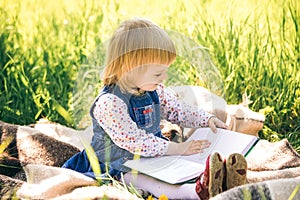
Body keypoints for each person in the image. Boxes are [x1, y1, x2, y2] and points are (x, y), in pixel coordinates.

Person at [62, 17, 247, 199]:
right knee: (143, 180)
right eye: (158, 73)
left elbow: (177, 110)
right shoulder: (110, 103)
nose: (164, 77)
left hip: (154, 155)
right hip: (117, 165)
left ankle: (219, 178)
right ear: (130, 68)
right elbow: (136, 142)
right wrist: (178, 148)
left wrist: (206, 119)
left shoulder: (154, 89)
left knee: (184, 161)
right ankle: (194, 193)